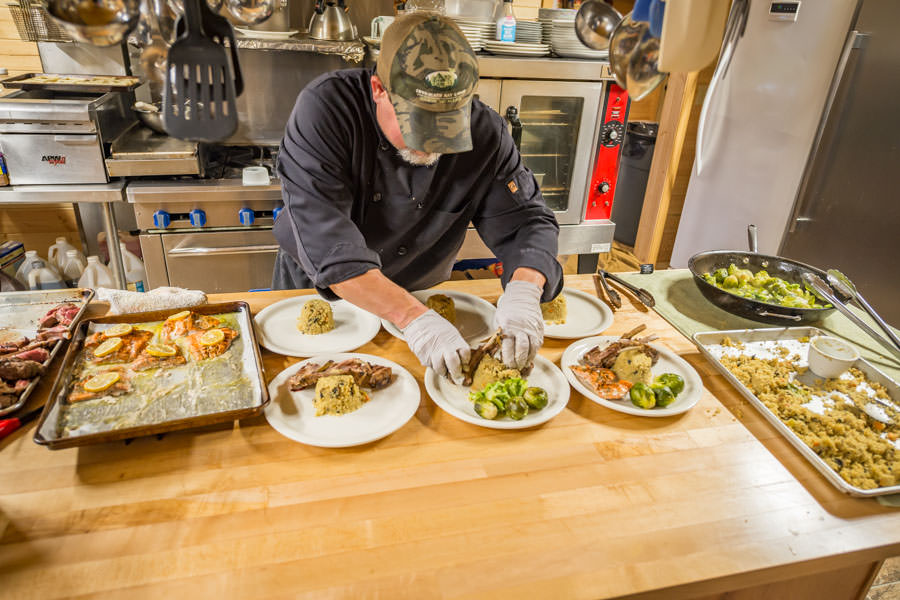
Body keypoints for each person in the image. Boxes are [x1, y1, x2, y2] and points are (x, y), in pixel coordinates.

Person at [272, 12, 563, 382]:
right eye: (418, 124)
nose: (430, 145)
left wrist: (524, 289)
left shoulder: (485, 131)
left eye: (447, 126)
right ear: (379, 89)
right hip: (326, 298)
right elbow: (327, 242)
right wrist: (413, 318)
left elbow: (527, 222)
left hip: (420, 298)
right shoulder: (327, 109)